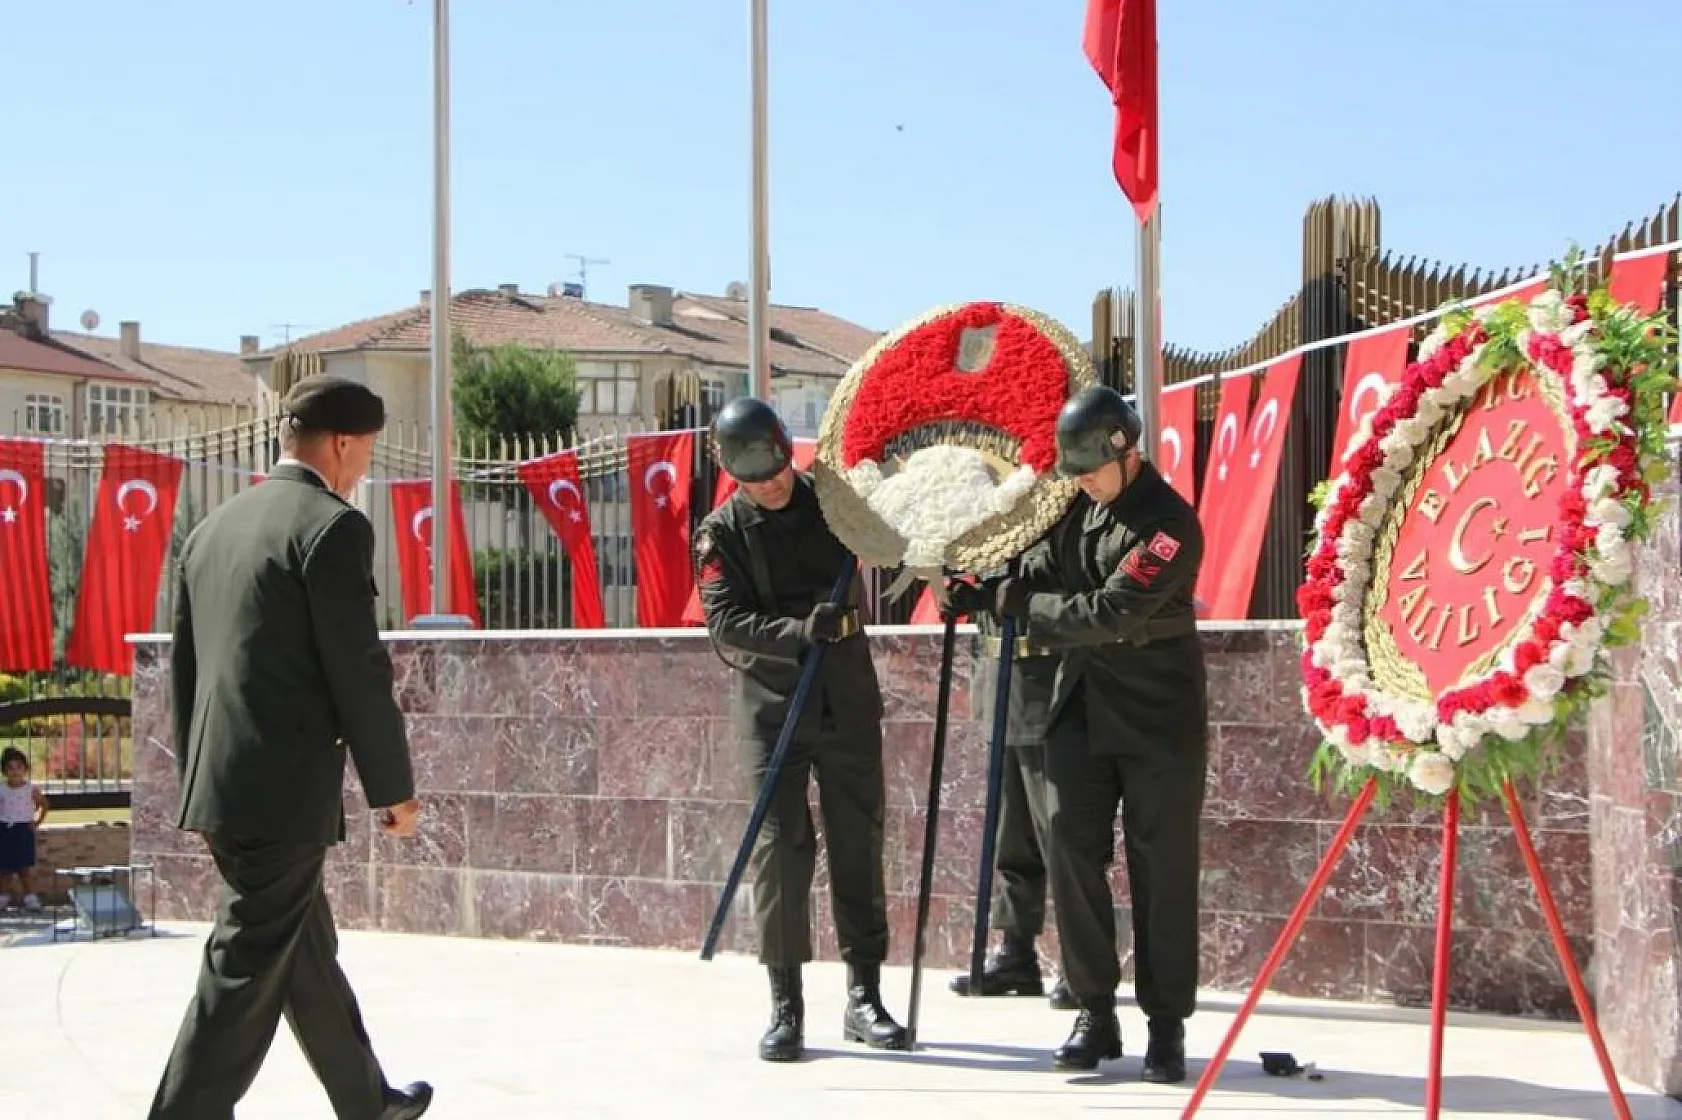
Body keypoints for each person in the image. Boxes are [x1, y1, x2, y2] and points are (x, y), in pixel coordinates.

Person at [149, 375, 433, 1120]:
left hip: (220, 785)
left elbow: (186, 670)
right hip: (282, 792)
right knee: (243, 967)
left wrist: (195, 786)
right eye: (365, 451)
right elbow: (358, 670)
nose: (365, 467)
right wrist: (392, 788)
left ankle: (367, 1101)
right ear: (341, 443)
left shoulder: (214, 528)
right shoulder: (330, 526)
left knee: (301, 950)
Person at [954, 385, 1207, 1081]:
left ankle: (1166, 1023)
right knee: (1066, 847)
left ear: (1126, 452)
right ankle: (1095, 1007)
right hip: (1081, 710)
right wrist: (980, 590)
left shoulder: (1169, 524)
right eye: (1076, 473)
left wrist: (1024, 605)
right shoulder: (1081, 509)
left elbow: (1110, 611)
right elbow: (1035, 570)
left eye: (1092, 470)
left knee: (1162, 870)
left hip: (1158, 719)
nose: (1084, 483)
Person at [696, 396, 908, 1063]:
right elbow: (725, 624)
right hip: (772, 707)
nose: (773, 483)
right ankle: (786, 1005)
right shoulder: (721, 532)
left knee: (857, 842)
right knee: (781, 854)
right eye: (756, 476)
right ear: (732, 472)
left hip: (845, 697)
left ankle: (865, 996)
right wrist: (794, 632)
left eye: (779, 467)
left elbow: (893, 548)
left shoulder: (832, 502)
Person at [942, 556, 1076, 1012]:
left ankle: (1082, 963)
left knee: (1060, 837)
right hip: (998, 683)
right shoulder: (990, 517)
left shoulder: (1055, 505)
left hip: (1047, 687)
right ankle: (1016, 950)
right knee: (1010, 836)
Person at [0, 746, 48, 911]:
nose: (15, 771)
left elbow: (44, 805)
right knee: (4, 868)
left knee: (23, 868)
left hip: (23, 831)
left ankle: (30, 897)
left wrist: (36, 822)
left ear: (25, 769)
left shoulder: (31, 789)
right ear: (5, 771)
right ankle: (3, 897)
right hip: (5, 830)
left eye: (19, 767)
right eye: (10, 768)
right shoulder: (2, 789)